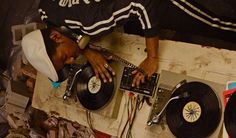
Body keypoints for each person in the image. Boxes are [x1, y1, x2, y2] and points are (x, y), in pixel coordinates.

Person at [21, 1, 236, 87]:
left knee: (217, 23)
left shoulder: (92, 23)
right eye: (67, 64)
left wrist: (152, 58)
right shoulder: (46, 9)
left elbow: (143, 4)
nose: (72, 59)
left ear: (56, 37)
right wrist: (87, 51)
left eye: (64, 57)